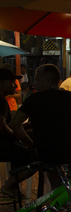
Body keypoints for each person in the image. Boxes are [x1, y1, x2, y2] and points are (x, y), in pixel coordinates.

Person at [9, 64, 71, 191]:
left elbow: (14, 125)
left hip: (43, 155)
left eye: (37, 79)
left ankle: (63, 199)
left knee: (54, 175)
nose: (34, 83)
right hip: (68, 155)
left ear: (48, 81)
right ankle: (69, 196)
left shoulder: (34, 99)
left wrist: (30, 144)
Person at [0, 68, 34, 197]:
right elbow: (2, 128)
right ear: (2, 83)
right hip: (3, 147)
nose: (14, 85)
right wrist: (17, 136)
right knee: (34, 159)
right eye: (12, 82)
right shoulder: (1, 101)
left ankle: (12, 185)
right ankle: (10, 185)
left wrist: (22, 128)